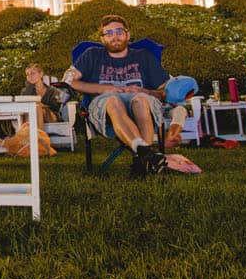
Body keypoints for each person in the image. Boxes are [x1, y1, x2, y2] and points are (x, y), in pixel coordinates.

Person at [67, 14, 170, 177]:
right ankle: (147, 156)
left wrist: (146, 91)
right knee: (113, 100)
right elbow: (68, 80)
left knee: (141, 100)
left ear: (128, 35)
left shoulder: (144, 56)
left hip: (141, 104)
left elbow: (166, 92)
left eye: (119, 31)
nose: (114, 36)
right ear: (102, 38)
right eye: (108, 33)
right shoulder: (92, 54)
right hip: (105, 108)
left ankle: (142, 159)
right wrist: (103, 88)